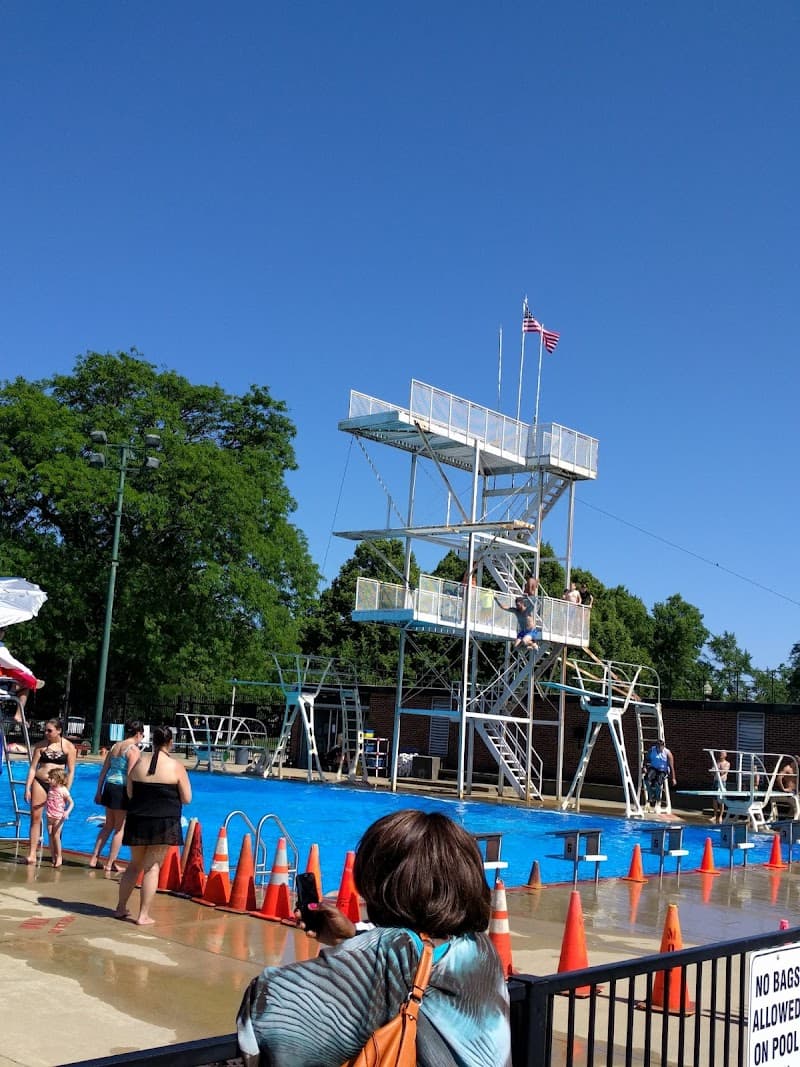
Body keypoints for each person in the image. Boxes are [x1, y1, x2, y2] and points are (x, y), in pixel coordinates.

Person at [237, 810, 511, 1067]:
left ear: (383, 884)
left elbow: (269, 1010)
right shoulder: (481, 951)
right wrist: (354, 936)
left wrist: (361, 947)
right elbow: (422, 955)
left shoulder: (390, 953)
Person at [114, 725, 191, 925]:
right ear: (170, 743)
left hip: (138, 819)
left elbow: (130, 792)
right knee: (152, 868)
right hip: (163, 823)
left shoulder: (139, 762)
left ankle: (121, 907)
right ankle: (143, 915)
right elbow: (187, 798)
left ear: (153, 741)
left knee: (134, 866)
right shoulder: (176, 766)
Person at [89, 720, 144, 872]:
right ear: (138, 734)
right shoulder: (133, 750)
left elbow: (104, 771)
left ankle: (94, 858)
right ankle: (110, 863)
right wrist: (133, 796)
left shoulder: (115, 747)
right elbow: (130, 774)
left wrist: (98, 791)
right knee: (120, 829)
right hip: (122, 789)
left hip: (109, 786)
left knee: (108, 826)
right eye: (142, 735)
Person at [24, 719, 77, 865]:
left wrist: (66, 790)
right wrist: (27, 787)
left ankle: (56, 854)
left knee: (55, 821)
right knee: (35, 817)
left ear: (59, 730)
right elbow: (33, 768)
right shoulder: (41, 746)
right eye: (45, 730)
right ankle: (32, 854)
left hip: (58, 787)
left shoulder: (68, 747)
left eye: (49, 730)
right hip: (40, 782)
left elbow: (71, 771)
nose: (46, 733)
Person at [0, 627, 45, 722]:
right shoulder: (1, 649)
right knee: (26, 686)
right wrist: (31, 676)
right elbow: (12, 664)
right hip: (1, 685)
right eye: (3, 630)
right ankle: (19, 715)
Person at [45, 768, 74, 868]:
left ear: (58, 779)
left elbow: (71, 803)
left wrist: (67, 812)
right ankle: (53, 856)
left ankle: (59, 857)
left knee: (56, 836)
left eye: (51, 778)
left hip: (58, 816)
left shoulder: (63, 790)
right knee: (49, 835)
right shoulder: (51, 788)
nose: (48, 779)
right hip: (49, 815)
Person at [644, 738, 676, 814]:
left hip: (663, 770)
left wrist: (673, 778)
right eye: (659, 747)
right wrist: (644, 767)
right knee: (646, 779)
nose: (660, 749)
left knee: (657, 783)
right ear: (656, 746)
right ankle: (651, 795)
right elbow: (646, 759)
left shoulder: (668, 753)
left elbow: (672, 766)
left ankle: (658, 800)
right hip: (653, 768)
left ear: (663, 746)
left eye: (661, 747)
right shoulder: (652, 750)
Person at [712, 750, 730, 823]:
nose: (720, 755)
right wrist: (716, 770)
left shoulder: (727, 763)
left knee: (721, 799)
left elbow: (723, 772)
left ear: (725, 755)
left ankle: (720, 816)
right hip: (716, 781)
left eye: (722, 754)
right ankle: (715, 815)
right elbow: (713, 772)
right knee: (714, 799)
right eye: (720, 753)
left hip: (722, 782)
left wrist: (718, 769)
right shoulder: (716, 762)